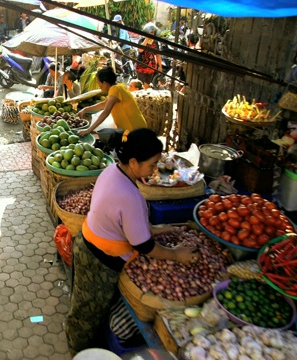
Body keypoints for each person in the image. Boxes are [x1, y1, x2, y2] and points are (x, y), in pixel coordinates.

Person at [65, 128, 201, 354]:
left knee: (84, 304)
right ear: (134, 162)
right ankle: (79, 352)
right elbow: (143, 246)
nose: (155, 169)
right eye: (152, 164)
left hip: (86, 244)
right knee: (86, 314)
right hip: (98, 262)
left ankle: (86, 343)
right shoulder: (129, 195)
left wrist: (158, 229)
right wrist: (176, 254)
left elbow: (125, 223)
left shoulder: (112, 171)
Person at [77, 67, 147, 135]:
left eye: (99, 84)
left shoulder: (115, 90)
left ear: (105, 83)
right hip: (137, 127)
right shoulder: (119, 87)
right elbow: (104, 104)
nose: (99, 87)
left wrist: (88, 130)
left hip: (134, 129)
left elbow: (106, 112)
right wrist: (85, 109)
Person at [136, 23, 163, 90]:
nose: (152, 34)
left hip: (151, 67)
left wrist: (160, 66)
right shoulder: (141, 41)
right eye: (150, 32)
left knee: (147, 85)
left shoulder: (155, 43)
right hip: (141, 66)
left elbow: (158, 55)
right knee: (142, 85)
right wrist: (147, 39)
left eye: (153, 32)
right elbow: (140, 50)